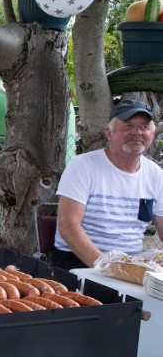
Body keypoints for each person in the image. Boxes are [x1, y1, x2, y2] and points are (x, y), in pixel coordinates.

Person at [53, 98, 163, 270]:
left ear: (153, 135)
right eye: (128, 126)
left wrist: (123, 270)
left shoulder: (156, 175)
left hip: (130, 265)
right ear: (109, 133)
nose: (137, 132)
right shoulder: (83, 166)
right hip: (80, 264)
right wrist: (104, 266)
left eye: (144, 127)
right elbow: (68, 225)